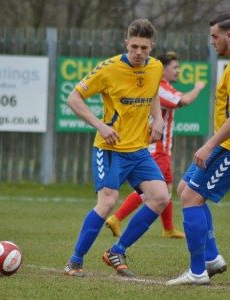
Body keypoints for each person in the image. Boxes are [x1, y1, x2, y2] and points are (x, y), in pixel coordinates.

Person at [166, 12, 230, 285]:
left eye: (214, 36)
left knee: (191, 199)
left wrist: (209, 145)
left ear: (229, 36)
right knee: (185, 190)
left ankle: (197, 271)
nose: (211, 41)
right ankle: (211, 258)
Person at [64, 19, 169, 278]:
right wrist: (100, 125)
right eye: (134, 46)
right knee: (108, 201)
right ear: (126, 43)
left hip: (138, 150)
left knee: (160, 197)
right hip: (110, 148)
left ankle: (117, 250)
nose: (139, 53)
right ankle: (74, 262)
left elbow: (153, 92)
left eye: (144, 48)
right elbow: (73, 98)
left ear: (151, 47)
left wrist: (158, 118)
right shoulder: (109, 69)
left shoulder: (155, 67)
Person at [105, 51, 205, 239]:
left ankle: (168, 228)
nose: (178, 71)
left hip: (163, 150)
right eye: (174, 67)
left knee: (166, 188)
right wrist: (198, 87)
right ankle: (116, 218)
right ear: (163, 69)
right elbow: (184, 101)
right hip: (156, 150)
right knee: (150, 191)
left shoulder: (162, 86)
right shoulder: (159, 87)